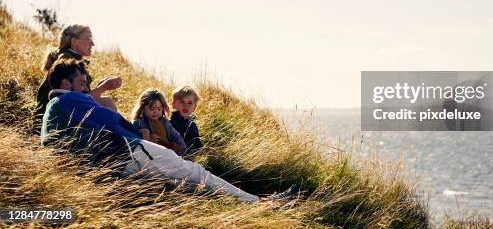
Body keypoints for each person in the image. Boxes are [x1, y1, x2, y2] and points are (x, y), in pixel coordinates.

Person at [41, 59, 299, 203]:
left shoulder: (55, 108)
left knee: (182, 182)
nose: (86, 86)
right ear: (66, 83)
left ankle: (247, 202)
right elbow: (112, 120)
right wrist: (137, 134)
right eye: (82, 82)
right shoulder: (69, 99)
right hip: (127, 153)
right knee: (194, 171)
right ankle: (262, 203)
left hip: (110, 162)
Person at [34, 24, 121, 135]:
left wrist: (101, 85)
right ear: (74, 41)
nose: (93, 44)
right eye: (89, 39)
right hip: (53, 122)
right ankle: (116, 141)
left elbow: (78, 97)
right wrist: (103, 87)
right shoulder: (67, 62)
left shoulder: (71, 61)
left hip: (59, 115)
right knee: (106, 102)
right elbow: (75, 100)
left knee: (105, 103)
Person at [131, 88, 187, 156]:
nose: (156, 112)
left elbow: (176, 136)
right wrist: (149, 142)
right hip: (151, 157)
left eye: (159, 109)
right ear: (143, 108)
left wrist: (182, 150)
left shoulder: (165, 122)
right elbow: (133, 143)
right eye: (152, 109)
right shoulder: (138, 123)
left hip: (168, 154)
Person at [170, 86, 203, 156]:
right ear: (173, 105)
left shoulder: (193, 125)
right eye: (182, 102)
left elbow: (197, 145)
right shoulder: (170, 123)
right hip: (175, 158)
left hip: (191, 158)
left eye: (190, 103)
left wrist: (202, 151)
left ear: (194, 107)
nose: (186, 106)